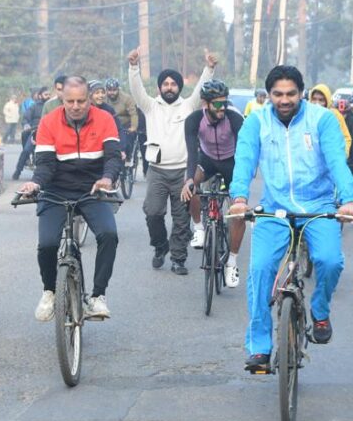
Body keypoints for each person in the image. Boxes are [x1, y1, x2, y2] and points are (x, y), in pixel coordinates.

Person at [228, 65, 353, 372]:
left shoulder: (322, 120)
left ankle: (320, 311)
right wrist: (239, 198)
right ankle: (259, 348)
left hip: (318, 206)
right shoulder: (257, 121)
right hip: (274, 208)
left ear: (302, 93)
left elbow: (337, 162)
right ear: (268, 95)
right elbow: (244, 160)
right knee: (260, 270)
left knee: (329, 260)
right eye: (278, 94)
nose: (284, 100)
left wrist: (349, 201)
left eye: (291, 94)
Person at [18, 77, 121, 321]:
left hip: (93, 190)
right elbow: (45, 165)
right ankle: (49, 292)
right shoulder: (48, 122)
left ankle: (97, 296)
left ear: (90, 99)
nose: (76, 106)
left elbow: (113, 158)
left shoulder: (105, 119)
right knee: (47, 244)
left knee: (109, 235)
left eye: (81, 101)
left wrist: (107, 178)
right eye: (70, 101)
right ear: (61, 99)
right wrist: (35, 183)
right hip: (55, 189)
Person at [128, 46, 217, 274]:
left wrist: (209, 68)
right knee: (153, 212)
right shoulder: (150, 106)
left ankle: (178, 259)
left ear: (179, 87)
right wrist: (133, 66)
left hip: (183, 173)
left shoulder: (188, 106)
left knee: (181, 218)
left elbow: (201, 88)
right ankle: (160, 247)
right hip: (157, 171)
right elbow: (136, 89)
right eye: (165, 84)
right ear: (160, 87)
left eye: (173, 84)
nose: (169, 87)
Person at [182, 79, 246, 287]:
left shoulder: (234, 118)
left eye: (225, 103)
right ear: (205, 104)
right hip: (207, 160)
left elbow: (245, 153)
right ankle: (199, 228)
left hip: (231, 162)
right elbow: (192, 154)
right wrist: (189, 179)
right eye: (217, 104)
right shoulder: (194, 120)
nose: (222, 108)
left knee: (239, 211)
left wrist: (240, 190)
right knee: (191, 185)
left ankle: (232, 262)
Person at [309, 83, 352, 157]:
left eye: (321, 100)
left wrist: (341, 156)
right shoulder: (306, 115)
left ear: (327, 101)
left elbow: (345, 138)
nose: (317, 103)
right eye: (314, 99)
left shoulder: (335, 115)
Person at [12, 88, 46, 181]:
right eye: (45, 94)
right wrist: (26, 124)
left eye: (49, 94)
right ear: (40, 96)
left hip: (48, 133)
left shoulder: (52, 106)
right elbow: (26, 118)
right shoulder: (34, 106)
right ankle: (18, 171)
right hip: (35, 131)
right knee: (26, 150)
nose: (48, 96)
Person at [104, 77, 138, 162]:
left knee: (127, 139)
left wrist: (133, 127)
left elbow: (133, 114)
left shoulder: (126, 98)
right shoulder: (103, 99)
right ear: (106, 90)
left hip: (125, 125)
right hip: (110, 125)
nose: (112, 92)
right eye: (109, 90)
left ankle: (128, 158)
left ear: (118, 89)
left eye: (114, 90)